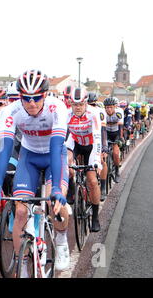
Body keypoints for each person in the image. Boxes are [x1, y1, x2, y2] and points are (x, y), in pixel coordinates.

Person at [0, 70, 70, 273]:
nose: (32, 103)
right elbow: (5, 149)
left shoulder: (56, 107)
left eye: (36, 98)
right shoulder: (11, 111)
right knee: (21, 211)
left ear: (45, 95)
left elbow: (58, 146)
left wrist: (57, 188)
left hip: (54, 156)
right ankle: (22, 263)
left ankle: (61, 240)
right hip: (29, 158)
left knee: (55, 203)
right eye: (26, 98)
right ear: (20, 96)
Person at [66, 88, 102, 232]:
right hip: (75, 144)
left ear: (86, 103)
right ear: (70, 104)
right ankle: (71, 189)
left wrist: (97, 160)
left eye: (80, 104)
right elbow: (62, 136)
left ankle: (95, 217)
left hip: (91, 146)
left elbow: (98, 138)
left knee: (92, 181)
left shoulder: (93, 114)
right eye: (75, 105)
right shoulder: (67, 115)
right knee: (66, 164)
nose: (78, 108)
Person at [104, 97, 124, 182]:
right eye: (107, 107)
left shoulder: (119, 112)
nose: (109, 109)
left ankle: (117, 172)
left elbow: (120, 127)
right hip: (106, 133)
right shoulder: (102, 113)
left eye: (111, 107)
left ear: (115, 107)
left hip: (116, 133)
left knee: (115, 153)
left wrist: (120, 138)